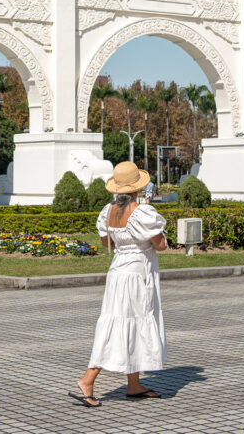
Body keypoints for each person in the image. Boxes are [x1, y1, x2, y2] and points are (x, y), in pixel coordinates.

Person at [72, 161, 168, 408]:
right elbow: (160, 245)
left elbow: (108, 244)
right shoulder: (142, 213)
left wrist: (125, 243)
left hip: (117, 272)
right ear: (137, 187)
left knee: (127, 322)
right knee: (124, 325)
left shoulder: (109, 211)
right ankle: (87, 379)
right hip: (136, 274)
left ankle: (133, 384)